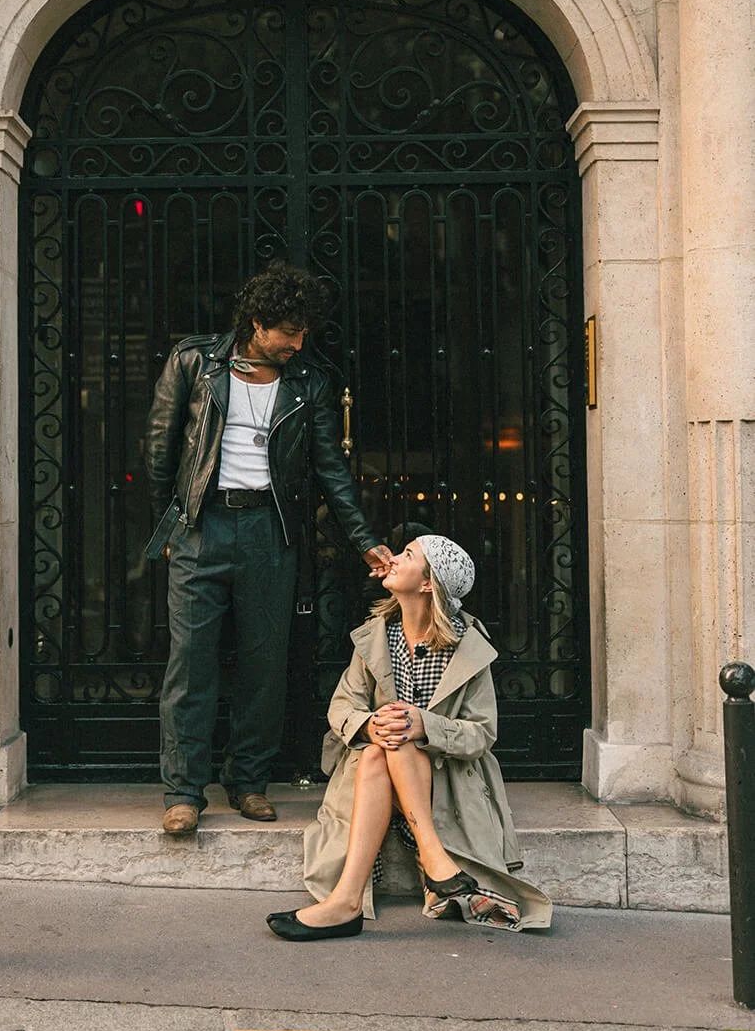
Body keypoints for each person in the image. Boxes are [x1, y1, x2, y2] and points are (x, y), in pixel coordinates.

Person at [144, 262, 392, 836]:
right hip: (202, 528)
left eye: (304, 332)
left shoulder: (309, 381)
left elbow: (332, 469)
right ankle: (183, 791)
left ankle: (248, 781)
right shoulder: (194, 363)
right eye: (288, 332)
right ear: (257, 323)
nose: (297, 343)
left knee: (264, 662)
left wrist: (364, 541)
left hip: (270, 533)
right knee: (191, 663)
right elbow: (159, 448)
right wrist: (169, 526)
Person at [266, 534, 552, 940]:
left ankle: (344, 904)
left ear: (427, 583)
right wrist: (369, 725)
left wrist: (426, 726)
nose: (393, 558)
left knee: (398, 734)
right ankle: (433, 858)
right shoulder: (377, 635)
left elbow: (482, 734)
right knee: (385, 740)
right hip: (376, 774)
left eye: (408, 554)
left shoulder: (467, 648)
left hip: (445, 779)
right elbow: (341, 708)